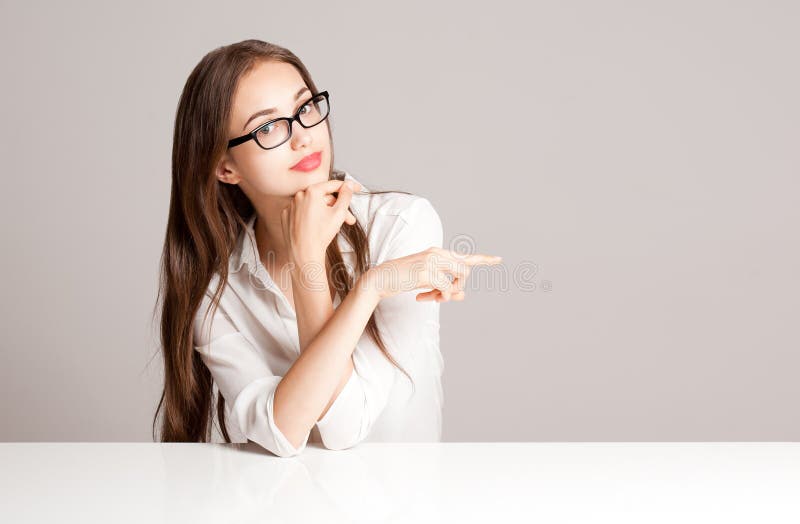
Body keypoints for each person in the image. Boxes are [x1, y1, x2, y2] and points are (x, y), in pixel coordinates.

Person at [152, 39, 502, 457]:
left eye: (305, 109)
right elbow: (281, 432)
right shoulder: (217, 293)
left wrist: (347, 275)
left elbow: (345, 424)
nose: (303, 137)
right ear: (224, 167)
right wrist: (362, 285)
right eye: (268, 128)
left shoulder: (400, 225)